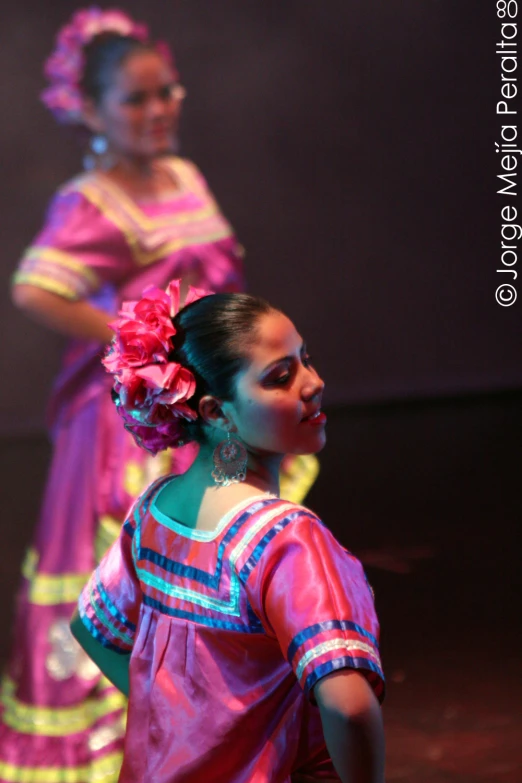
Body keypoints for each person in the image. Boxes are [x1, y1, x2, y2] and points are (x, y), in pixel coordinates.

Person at [1, 8, 244, 783]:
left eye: (165, 91)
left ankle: (197, 728)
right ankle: (107, 743)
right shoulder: (91, 200)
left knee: (204, 559)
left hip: (195, 406)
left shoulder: (184, 175)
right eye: (137, 99)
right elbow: (36, 288)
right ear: (91, 110)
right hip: (124, 424)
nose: (159, 108)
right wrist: (138, 339)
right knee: (124, 565)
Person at [71, 282, 386, 783]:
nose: (313, 383)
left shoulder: (153, 511)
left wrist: (189, 726)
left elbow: (91, 629)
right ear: (216, 412)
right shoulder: (286, 542)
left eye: (306, 360)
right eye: (281, 377)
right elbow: (347, 706)